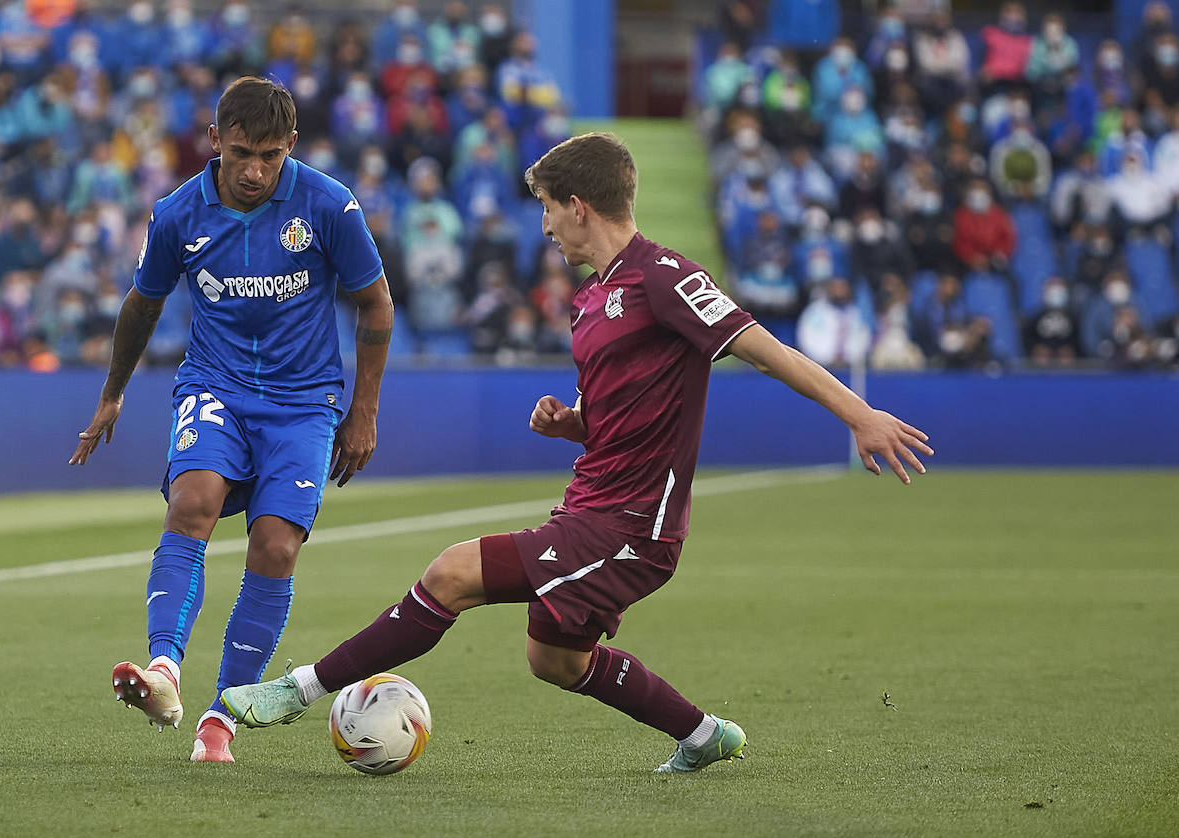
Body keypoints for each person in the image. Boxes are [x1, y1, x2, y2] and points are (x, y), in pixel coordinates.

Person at [218, 133, 932, 772]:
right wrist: (576, 422)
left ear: (580, 205)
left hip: (632, 526)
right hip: (593, 500)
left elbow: (765, 351)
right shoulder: (591, 300)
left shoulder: (667, 276)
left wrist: (861, 416)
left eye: (549, 208)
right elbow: (627, 413)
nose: (546, 224)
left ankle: (301, 687)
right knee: (555, 660)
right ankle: (702, 733)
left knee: (451, 573)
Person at [68, 77, 395, 764]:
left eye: (270, 156)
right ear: (214, 141)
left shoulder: (329, 204)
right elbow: (142, 304)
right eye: (241, 153)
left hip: (305, 401)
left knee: (275, 546)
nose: (254, 170)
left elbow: (376, 304)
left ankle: (222, 715)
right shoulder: (178, 213)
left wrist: (362, 411)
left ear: (291, 148)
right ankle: (163, 672)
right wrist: (112, 394)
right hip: (214, 385)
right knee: (192, 501)